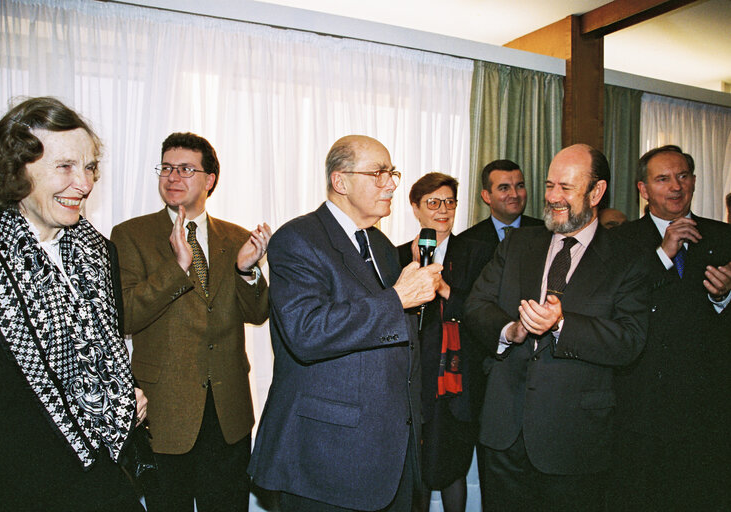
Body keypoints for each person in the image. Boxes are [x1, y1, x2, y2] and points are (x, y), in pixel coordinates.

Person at [0, 96, 146, 511]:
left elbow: (105, 349)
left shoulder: (100, 252)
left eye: (89, 167)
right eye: (64, 166)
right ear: (16, 168)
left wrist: (123, 393)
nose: (83, 184)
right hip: (13, 485)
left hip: (103, 477)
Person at [248, 135, 442, 512]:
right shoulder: (298, 239)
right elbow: (307, 332)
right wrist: (398, 298)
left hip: (390, 456)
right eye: (378, 173)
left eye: (392, 173)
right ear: (341, 182)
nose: (391, 184)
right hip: (326, 458)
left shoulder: (381, 246)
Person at [463, 144, 649, 512]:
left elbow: (630, 341)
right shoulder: (518, 243)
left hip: (575, 442)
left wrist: (562, 325)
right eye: (549, 186)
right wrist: (511, 330)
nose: (552, 198)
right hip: (504, 434)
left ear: (596, 192)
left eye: (566, 188)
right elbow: (476, 306)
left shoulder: (627, 260)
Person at [110, 132, 270, 512]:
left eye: (185, 168)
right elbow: (126, 315)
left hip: (228, 413)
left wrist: (247, 271)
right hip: (164, 411)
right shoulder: (130, 235)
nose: (172, 176)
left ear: (209, 179)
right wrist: (177, 267)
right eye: (166, 167)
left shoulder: (236, 237)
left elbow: (257, 313)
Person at [610, 145, 731, 511]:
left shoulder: (722, 237)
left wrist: (723, 298)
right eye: (663, 179)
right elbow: (615, 308)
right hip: (640, 404)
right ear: (643, 190)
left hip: (705, 405)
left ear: (694, 181)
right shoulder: (618, 241)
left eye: (683, 176)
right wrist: (663, 254)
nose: (676, 186)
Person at [397, 173, 492, 512]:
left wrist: (444, 290)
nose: (443, 210)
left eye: (449, 202)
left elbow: (487, 314)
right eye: (432, 203)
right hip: (413, 379)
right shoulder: (396, 256)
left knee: (453, 463)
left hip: (459, 379)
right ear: (415, 209)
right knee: (416, 468)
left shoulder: (479, 253)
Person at [459, 159, 543, 251]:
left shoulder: (545, 232)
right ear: (486, 196)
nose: (514, 194)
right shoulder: (467, 241)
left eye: (520, 186)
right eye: (504, 188)